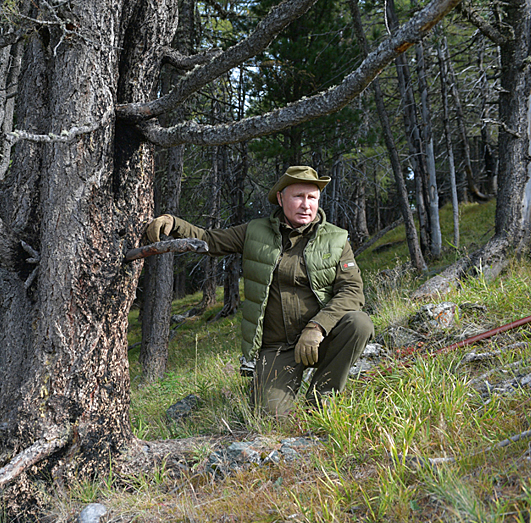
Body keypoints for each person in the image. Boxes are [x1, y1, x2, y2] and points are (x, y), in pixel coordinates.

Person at [145, 165, 374, 415]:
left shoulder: (336, 239)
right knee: (269, 417)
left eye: (312, 198)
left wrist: (318, 327)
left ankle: (321, 403)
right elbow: (210, 241)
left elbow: (352, 291)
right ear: (280, 197)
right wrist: (173, 223)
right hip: (277, 347)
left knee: (359, 323)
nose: (306, 205)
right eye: (298, 196)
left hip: (322, 338)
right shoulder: (255, 232)